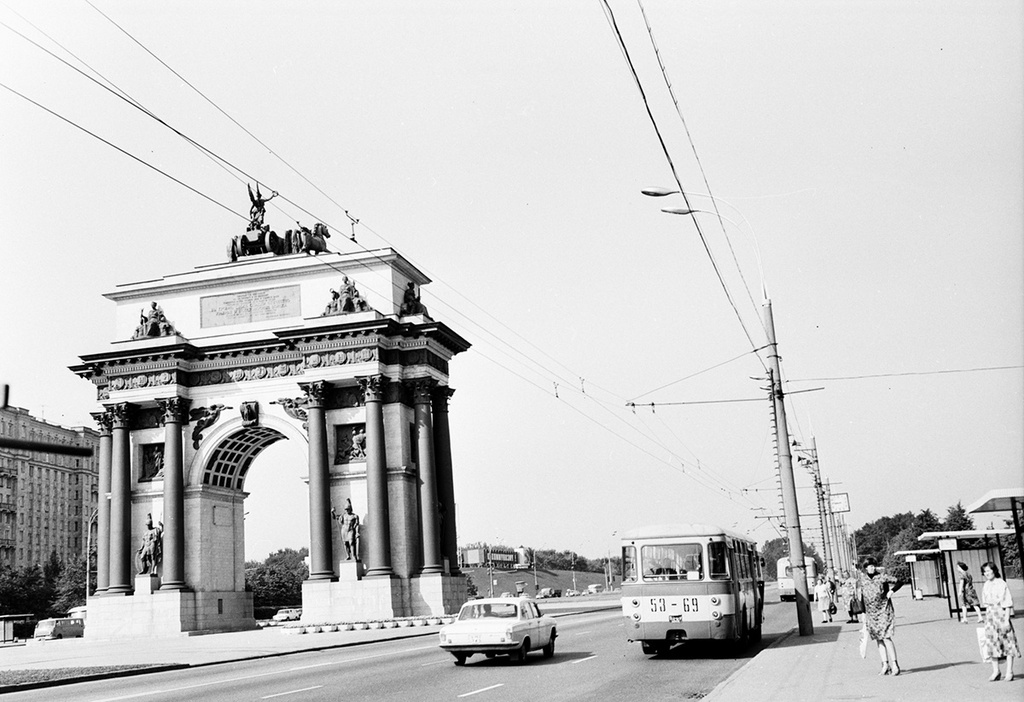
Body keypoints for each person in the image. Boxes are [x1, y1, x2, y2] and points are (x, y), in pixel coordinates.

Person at [858, 556, 902, 676]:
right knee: (878, 638)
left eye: (873, 566)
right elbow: (861, 597)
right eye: (869, 566)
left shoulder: (882, 577)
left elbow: (899, 581)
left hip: (884, 611)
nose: (871, 568)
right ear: (865, 568)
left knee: (886, 637)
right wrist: (863, 613)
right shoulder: (862, 580)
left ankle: (895, 664)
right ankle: (885, 664)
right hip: (871, 613)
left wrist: (891, 591)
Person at [980, 561, 1019, 682]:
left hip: (1001, 615)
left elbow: (1007, 603)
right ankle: (996, 670)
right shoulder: (986, 585)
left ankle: (1009, 671)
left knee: (1007, 643)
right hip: (990, 616)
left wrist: (1007, 620)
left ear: (994, 570)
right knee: (992, 643)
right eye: (985, 571)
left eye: (988, 570)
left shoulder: (1001, 583)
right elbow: (985, 602)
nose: (987, 573)